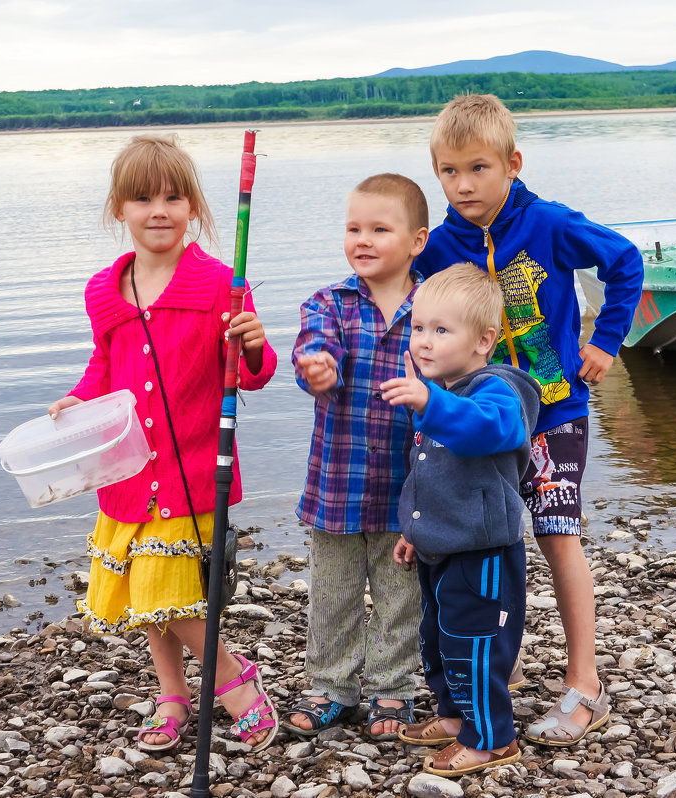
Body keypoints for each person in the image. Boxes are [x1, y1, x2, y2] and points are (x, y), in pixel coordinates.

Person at [414, 94, 644, 747]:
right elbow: (413, 313)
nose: (463, 185)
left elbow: (624, 260)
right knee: (477, 539)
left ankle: (585, 685)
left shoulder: (546, 223)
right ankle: (477, 686)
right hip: (481, 418)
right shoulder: (438, 246)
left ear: (512, 164)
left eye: (478, 168)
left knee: (556, 534)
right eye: (449, 171)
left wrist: (607, 341)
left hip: (553, 414)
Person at [47, 133, 279, 754]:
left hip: (192, 470)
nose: (159, 210)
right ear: (118, 208)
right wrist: (77, 399)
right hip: (126, 473)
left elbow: (252, 375)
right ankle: (172, 694)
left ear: (195, 208)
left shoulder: (219, 286)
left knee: (169, 592)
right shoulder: (104, 290)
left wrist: (252, 341)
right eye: (143, 198)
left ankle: (235, 683)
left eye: (174, 198)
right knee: (152, 601)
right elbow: (105, 366)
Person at [284, 174, 428, 741]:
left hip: (408, 486)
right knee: (332, 592)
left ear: (417, 240)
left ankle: (393, 689)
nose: (362, 240)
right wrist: (316, 366)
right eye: (353, 229)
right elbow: (314, 347)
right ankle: (330, 685)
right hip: (337, 486)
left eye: (379, 229)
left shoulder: (433, 304)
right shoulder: (329, 303)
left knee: (400, 594)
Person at [383, 264, 541, 776]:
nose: (424, 342)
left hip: (483, 550)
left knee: (473, 643)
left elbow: (488, 431)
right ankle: (454, 716)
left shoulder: (498, 390)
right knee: (437, 636)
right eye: (419, 327)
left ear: (483, 340)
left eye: (441, 330)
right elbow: (427, 470)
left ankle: (491, 738)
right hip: (441, 544)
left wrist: (432, 403)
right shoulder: (440, 394)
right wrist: (413, 528)